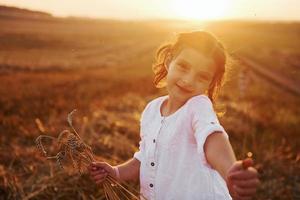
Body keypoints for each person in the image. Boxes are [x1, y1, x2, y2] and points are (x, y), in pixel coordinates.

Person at [88, 30, 260, 200]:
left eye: (202, 77)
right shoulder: (151, 110)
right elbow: (146, 158)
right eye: (183, 67)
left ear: (210, 83)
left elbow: (212, 138)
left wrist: (230, 170)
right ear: (169, 61)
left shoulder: (198, 107)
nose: (188, 80)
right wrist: (117, 172)